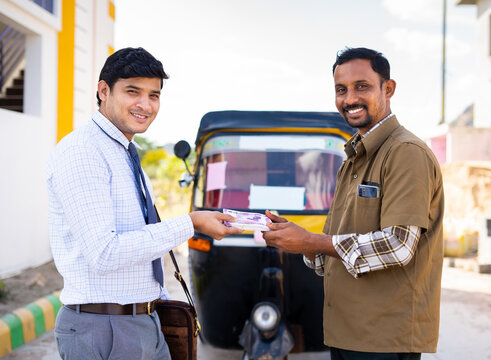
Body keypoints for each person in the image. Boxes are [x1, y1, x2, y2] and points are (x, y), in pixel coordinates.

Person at [47, 47, 242, 359]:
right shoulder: (83, 152)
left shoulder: (125, 152)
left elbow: (138, 240)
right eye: (133, 91)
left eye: (154, 95)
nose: (146, 105)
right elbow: (104, 253)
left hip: (143, 322)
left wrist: (157, 302)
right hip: (104, 328)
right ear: (103, 91)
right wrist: (190, 223)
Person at [263, 47, 444, 360]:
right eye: (341, 90)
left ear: (388, 89)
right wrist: (299, 242)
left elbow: (399, 245)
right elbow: (333, 250)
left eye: (362, 86)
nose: (349, 99)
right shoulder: (353, 159)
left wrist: (311, 240)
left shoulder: (405, 152)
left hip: (385, 338)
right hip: (348, 333)